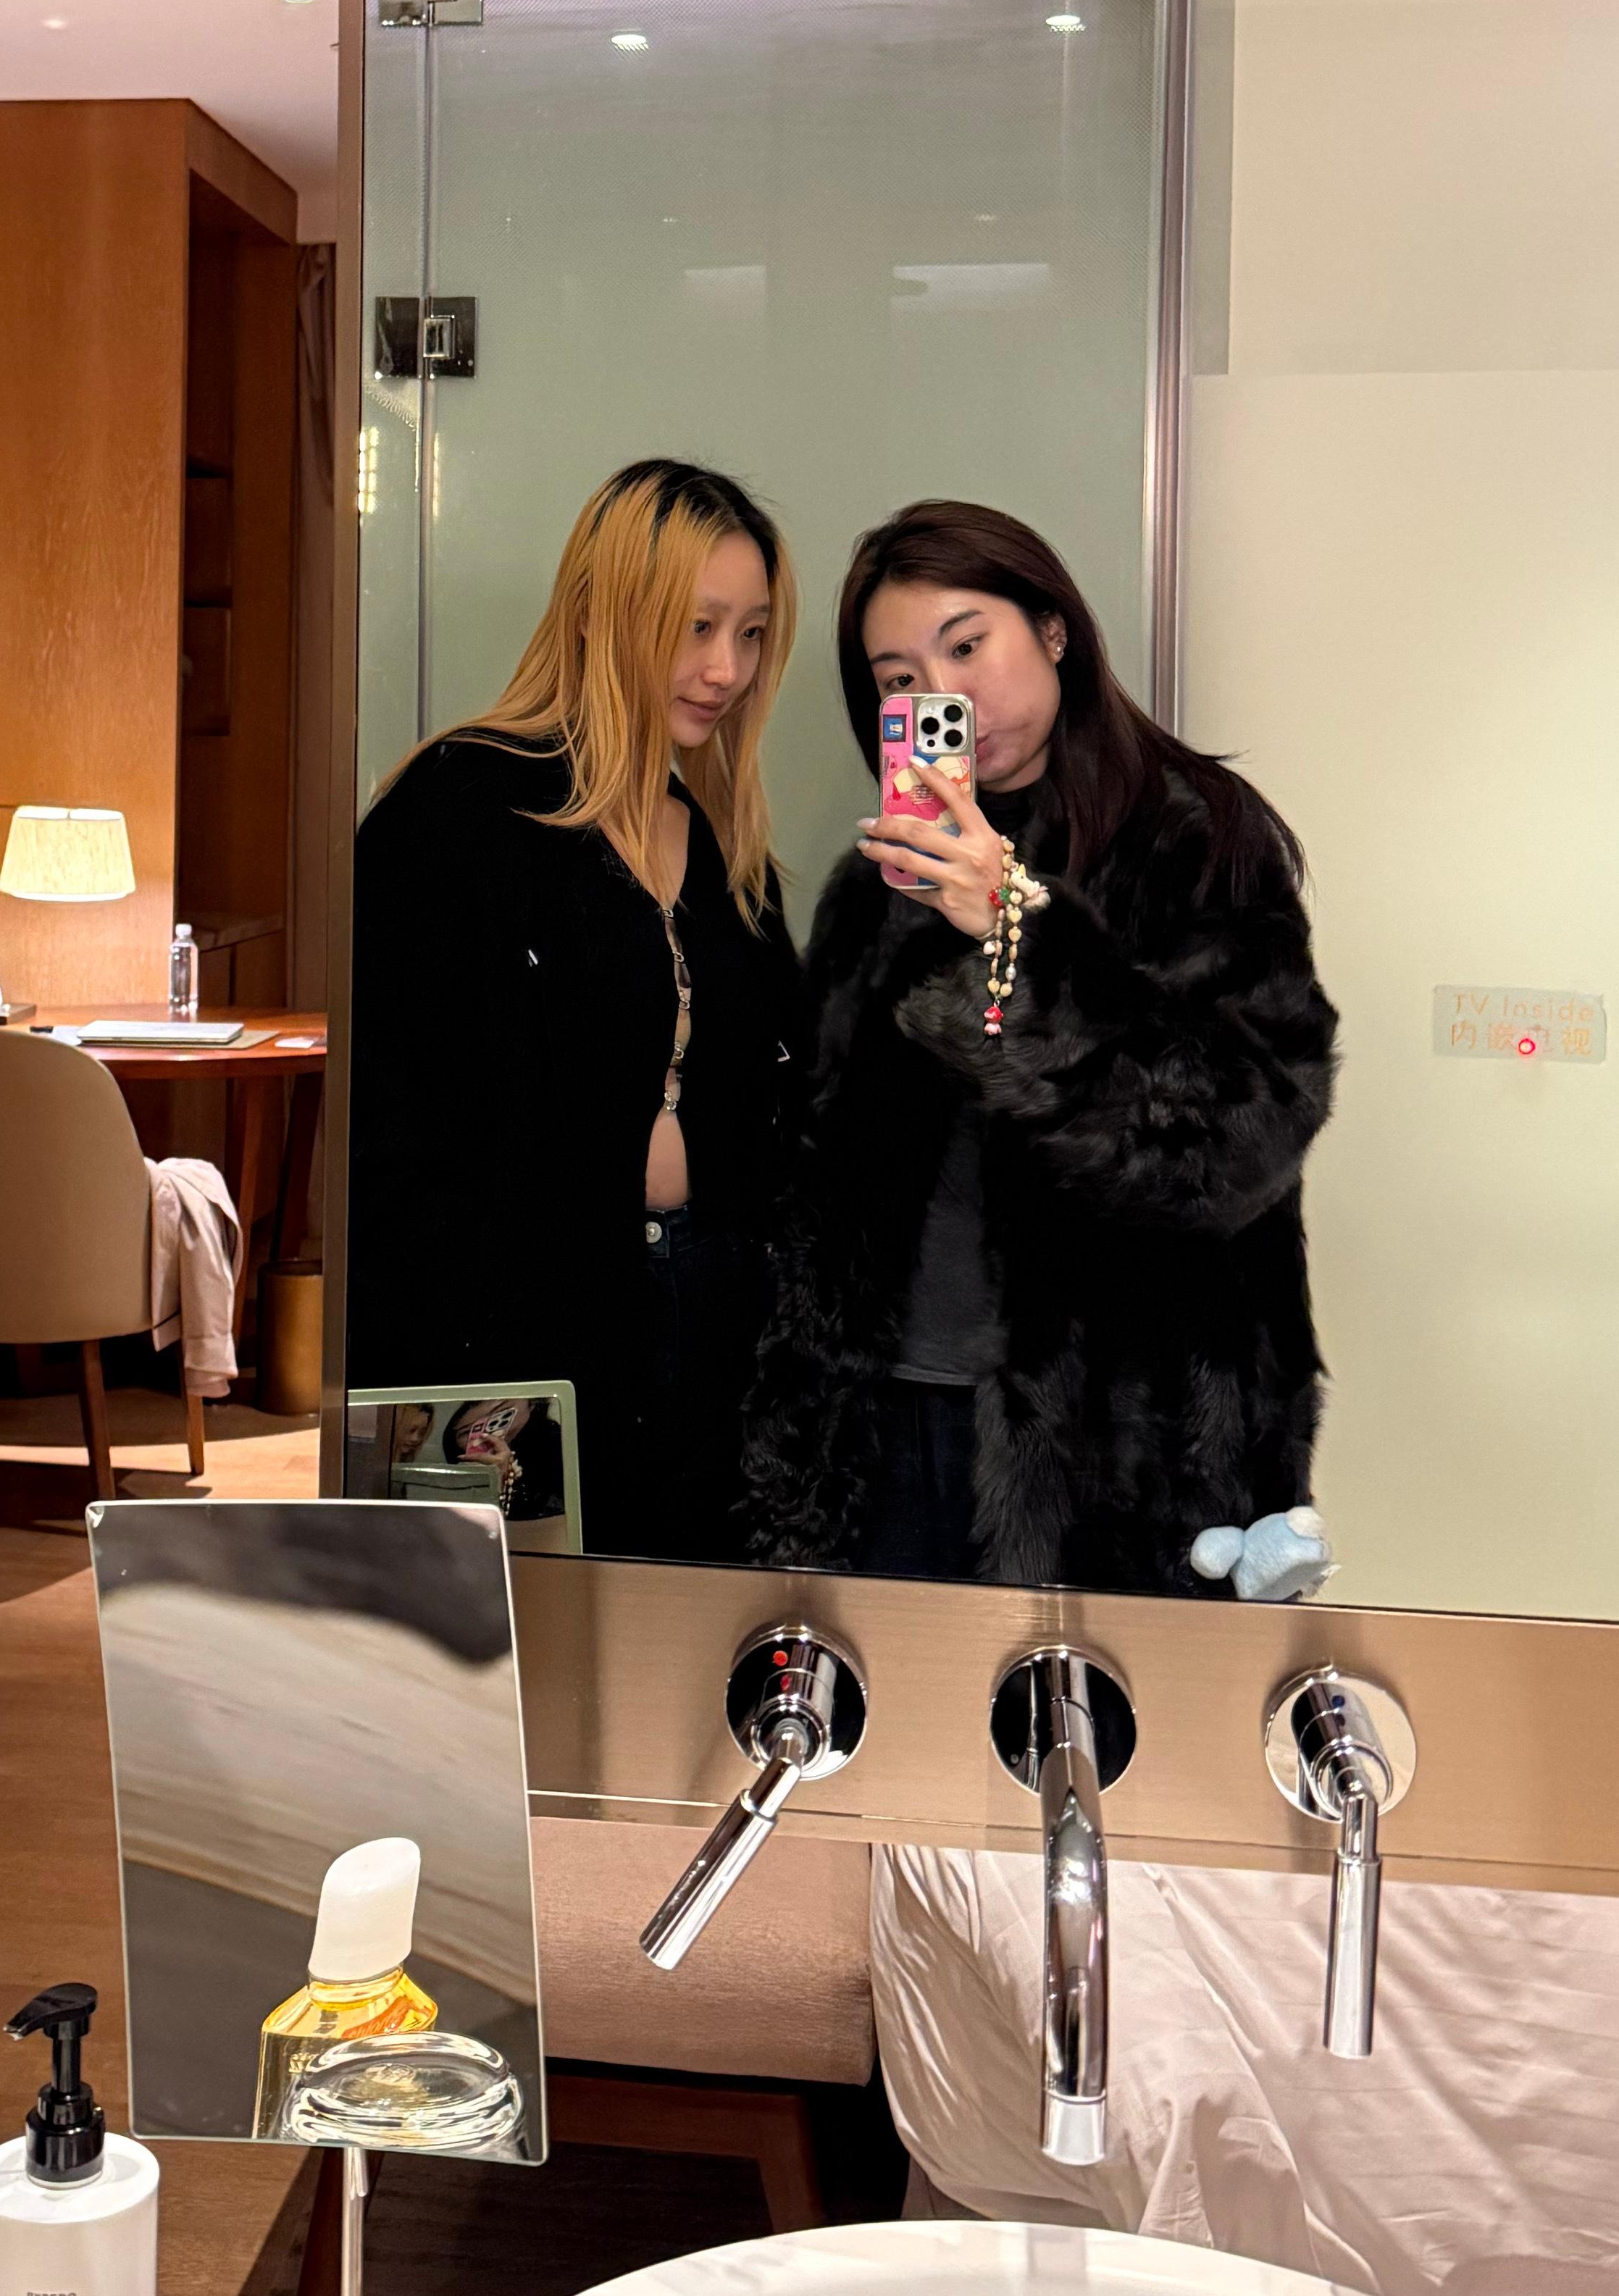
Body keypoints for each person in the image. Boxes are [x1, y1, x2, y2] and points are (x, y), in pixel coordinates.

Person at [741, 499, 1337, 1596]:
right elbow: (815, 1166)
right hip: (886, 1422)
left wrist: (1016, 925)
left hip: (1123, 1445)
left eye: (967, 646)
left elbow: (1241, 1140)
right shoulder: (883, 886)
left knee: (1091, 1708)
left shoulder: (1197, 839)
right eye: (900, 678)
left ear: (1054, 630)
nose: (944, 694)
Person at [348, 458, 806, 1558]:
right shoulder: (457, 811)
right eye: (696, 627)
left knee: (689, 1634)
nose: (726, 669)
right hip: (520, 1333)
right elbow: (391, 1136)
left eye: (750, 634)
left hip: (713, 1327)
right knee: (540, 1637)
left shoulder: (726, 853)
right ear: (603, 614)